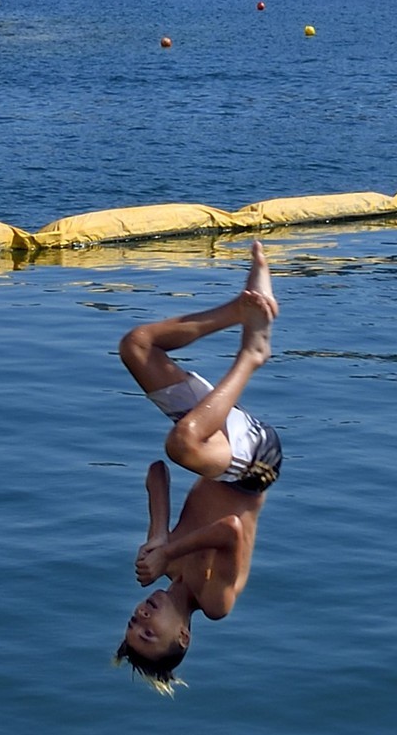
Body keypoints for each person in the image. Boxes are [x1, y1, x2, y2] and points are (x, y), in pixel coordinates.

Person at [113, 241, 282, 690]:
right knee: (183, 442)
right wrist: (169, 551)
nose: (141, 616)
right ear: (183, 636)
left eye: (133, 622)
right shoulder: (214, 602)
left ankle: (239, 312)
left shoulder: (167, 562)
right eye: (150, 632)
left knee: (136, 346)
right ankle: (252, 354)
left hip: (222, 448)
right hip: (257, 466)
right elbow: (230, 530)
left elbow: (157, 473)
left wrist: (157, 534)